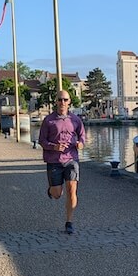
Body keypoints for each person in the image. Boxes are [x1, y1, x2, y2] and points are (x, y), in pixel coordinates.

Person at [38, 90, 85, 234]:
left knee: (72, 191)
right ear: (56, 101)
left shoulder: (75, 120)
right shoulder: (49, 120)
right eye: (60, 100)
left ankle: (69, 222)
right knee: (57, 194)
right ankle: (52, 190)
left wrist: (80, 144)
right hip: (54, 161)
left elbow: (82, 136)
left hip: (71, 160)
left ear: (69, 102)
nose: (62, 102)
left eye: (65, 100)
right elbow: (42, 140)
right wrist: (54, 146)